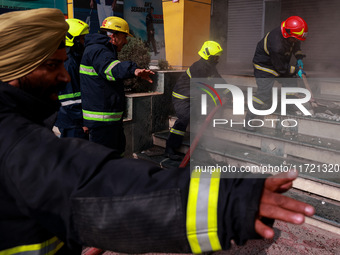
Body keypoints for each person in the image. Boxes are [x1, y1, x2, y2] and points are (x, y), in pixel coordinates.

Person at [0, 8, 315, 254]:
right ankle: (171, 151)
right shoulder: (13, 140)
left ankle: (171, 150)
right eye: (53, 66)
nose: (65, 77)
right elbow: (99, 187)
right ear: (17, 70)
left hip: (124, 114)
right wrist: (229, 202)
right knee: (179, 125)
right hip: (173, 105)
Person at [80, 16, 154, 156]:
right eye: (124, 36)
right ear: (113, 36)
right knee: (105, 163)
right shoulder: (99, 51)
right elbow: (112, 69)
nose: (126, 41)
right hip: (103, 123)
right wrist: (134, 69)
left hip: (108, 121)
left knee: (115, 157)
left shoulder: (101, 50)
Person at [245, 16, 309, 131]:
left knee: (290, 81)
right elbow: (281, 68)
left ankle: (288, 105)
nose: (295, 41)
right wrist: (296, 70)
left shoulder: (289, 34)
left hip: (278, 63)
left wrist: (299, 57)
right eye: (294, 39)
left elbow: (295, 44)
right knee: (263, 94)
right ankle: (248, 119)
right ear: (288, 34)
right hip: (265, 67)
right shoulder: (276, 44)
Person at [165, 41, 225, 160]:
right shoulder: (198, 68)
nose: (218, 58)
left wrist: (230, 92)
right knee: (184, 118)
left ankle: (201, 141)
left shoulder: (210, 66)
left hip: (194, 97)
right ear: (209, 56)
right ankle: (170, 148)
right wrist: (217, 99)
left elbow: (219, 81)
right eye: (216, 56)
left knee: (201, 116)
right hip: (181, 98)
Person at [54, 18, 90, 139]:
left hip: (70, 120)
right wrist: (82, 122)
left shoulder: (73, 59)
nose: (84, 42)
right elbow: (69, 98)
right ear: (73, 39)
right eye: (82, 38)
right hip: (72, 122)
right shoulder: (69, 63)